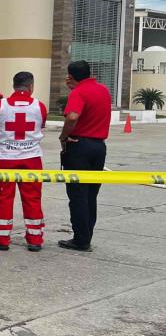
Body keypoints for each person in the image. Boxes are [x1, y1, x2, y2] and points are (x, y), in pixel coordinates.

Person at [0, 72, 47, 252]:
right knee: (33, 198)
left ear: (13, 86)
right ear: (31, 86)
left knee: (3, 198)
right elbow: (40, 125)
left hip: (6, 159)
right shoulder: (39, 107)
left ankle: (1, 238)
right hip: (32, 158)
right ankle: (35, 239)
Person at [58, 60, 111, 252]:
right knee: (91, 194)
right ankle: (87, 234)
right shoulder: (103, 89)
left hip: (79, 146)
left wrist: (63, 136)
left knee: (77, 194)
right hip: (99, 147)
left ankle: (80, 239)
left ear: (70, 76)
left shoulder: (78, 92)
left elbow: (72, 116)